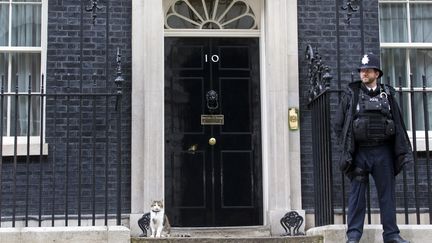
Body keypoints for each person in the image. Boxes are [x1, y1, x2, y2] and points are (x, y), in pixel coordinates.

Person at [333, 53, 413, 243]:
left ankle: (392, 235)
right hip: (360, 152)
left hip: (383, 151)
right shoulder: (351, 94)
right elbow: (338, 125)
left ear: (377, 73)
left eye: (367, 70)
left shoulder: (388, 94)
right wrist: (347, 148)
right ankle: (353, 236)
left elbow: (399, 124)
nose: (364, 73)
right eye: (362, 70)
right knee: (357, 196)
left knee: (387, 195)